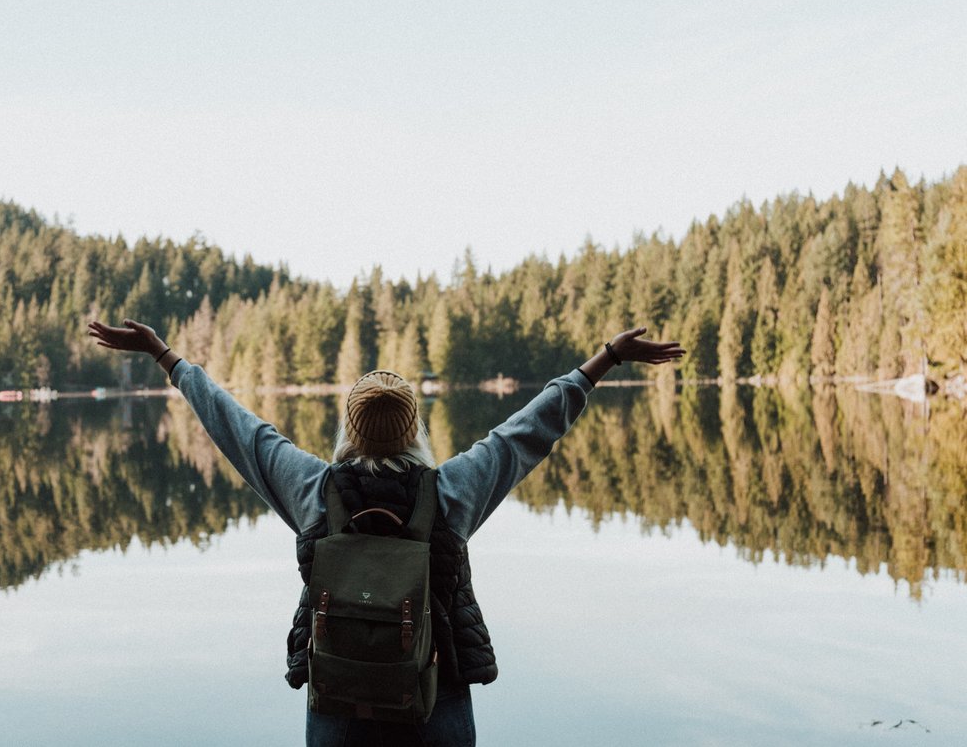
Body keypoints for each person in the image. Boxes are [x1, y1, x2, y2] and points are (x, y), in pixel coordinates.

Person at [87, 318, 684, 747]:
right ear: (414, 429)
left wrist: (165, 356)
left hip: (341, 699)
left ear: (348, 427)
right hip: (435, 695)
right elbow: (530, 429)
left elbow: (237, 428)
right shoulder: (451, 493)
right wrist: (606, 357)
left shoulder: (315, 491)